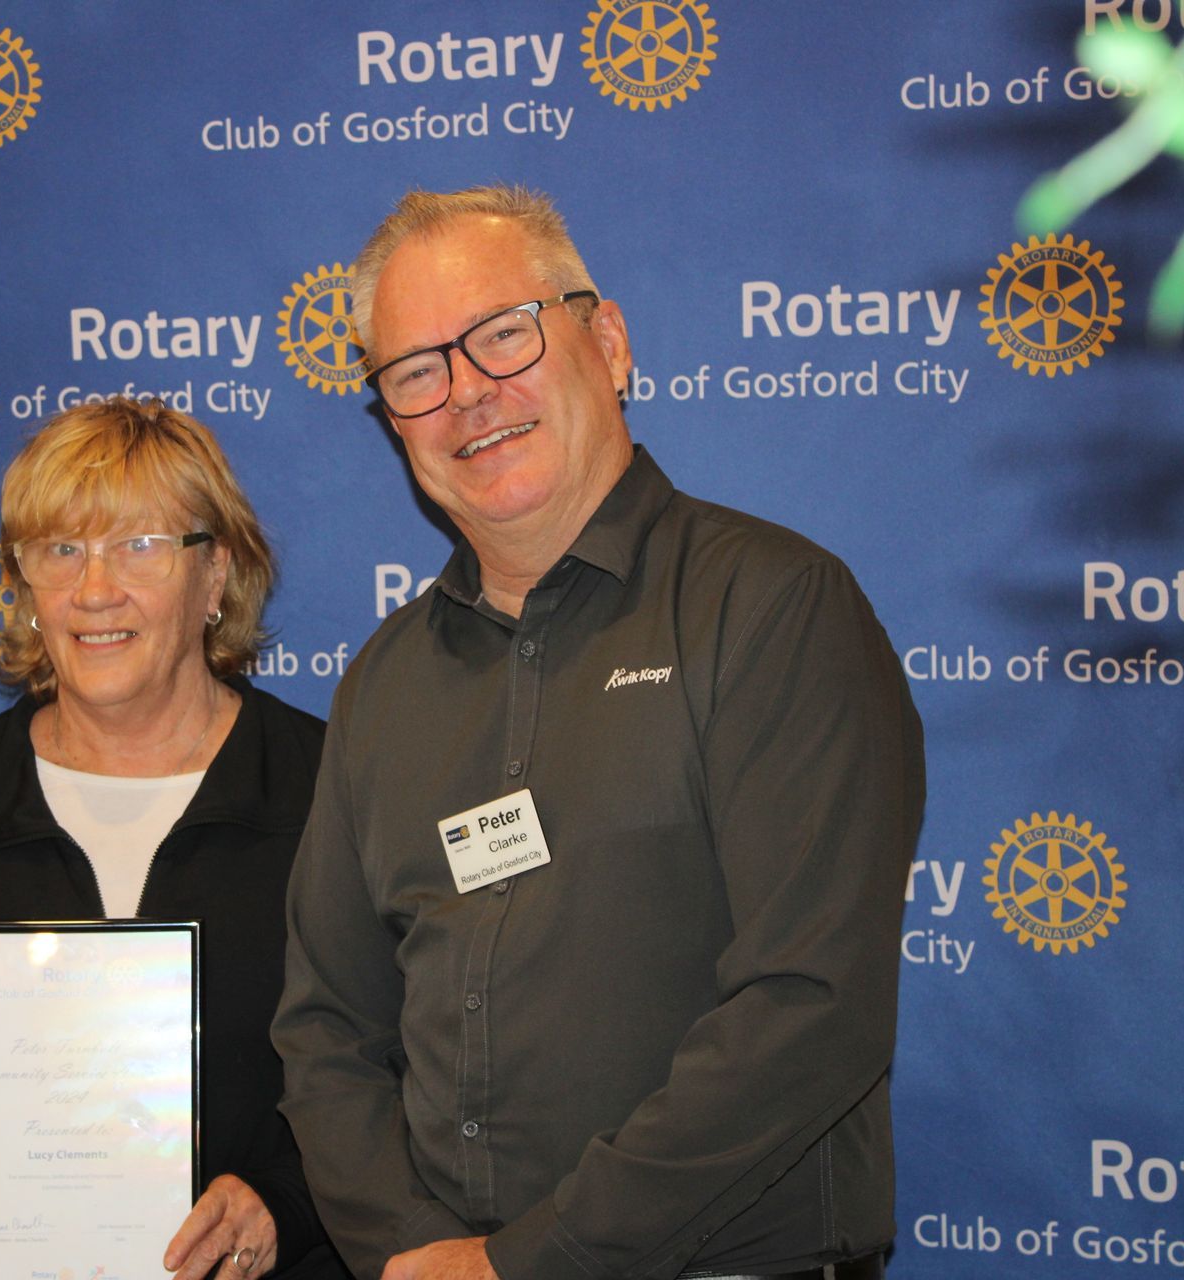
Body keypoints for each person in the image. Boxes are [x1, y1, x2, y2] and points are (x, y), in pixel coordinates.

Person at [271, 185, 926, 1280]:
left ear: (608, 342)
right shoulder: (383, 681)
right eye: (417, 372)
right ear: (391, 421)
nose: (469, 394)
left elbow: (809, 1006)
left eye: (502, 335)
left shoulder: (771, 607)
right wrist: (419, 1250)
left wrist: (533, 1261)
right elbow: (327, 1027)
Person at [0, 398, 348, 1280]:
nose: (94, 588)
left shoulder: (325, 788)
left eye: (140, 545)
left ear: (216, 573)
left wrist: (285, 1201)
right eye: (61, 549)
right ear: (25, 583)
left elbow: (402, 1060)